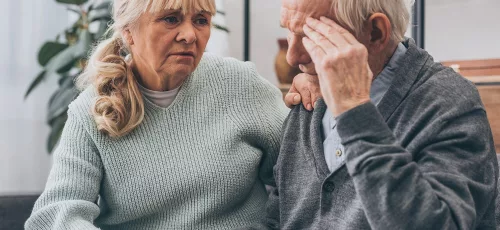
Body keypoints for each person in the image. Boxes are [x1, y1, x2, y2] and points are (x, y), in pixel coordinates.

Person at [25, 0, 290, 229]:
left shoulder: (241, 85)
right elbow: (57, 212)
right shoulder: (92, 111)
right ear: (129, 31)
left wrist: (270, 224)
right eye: (171, 19)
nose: (189, 35)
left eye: (201, 20)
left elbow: (303, 171)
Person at [266, 0, 499, 229]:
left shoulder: (450, 103)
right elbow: (277, 217)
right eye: (289, 32)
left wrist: (353, 110)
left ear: (376, 33)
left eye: (312, 37)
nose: (292, 58)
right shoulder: (310, 95)